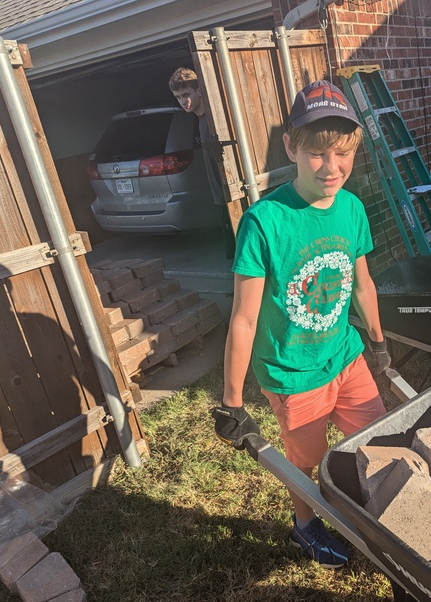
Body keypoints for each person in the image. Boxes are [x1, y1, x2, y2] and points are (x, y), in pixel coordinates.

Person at [211, 80, 392, 568]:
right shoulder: (265, 222)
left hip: (345, 356)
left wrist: (377, 343)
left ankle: (371, 511)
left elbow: (362, 286)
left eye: (342, 153)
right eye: (316, 153)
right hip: (293, 373)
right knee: (306, 461)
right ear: (290, 145)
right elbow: (245, 318)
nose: (331, 168)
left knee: (375, 440)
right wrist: (231, 402)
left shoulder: (352, 209)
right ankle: (306, 525)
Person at [168, 67, 236, 259]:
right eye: (178, 97)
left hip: (230, 194)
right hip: (219, 196)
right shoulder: (199, 120)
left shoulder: (214, 119)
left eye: (186, 94)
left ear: (199, 91)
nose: (183, 101)